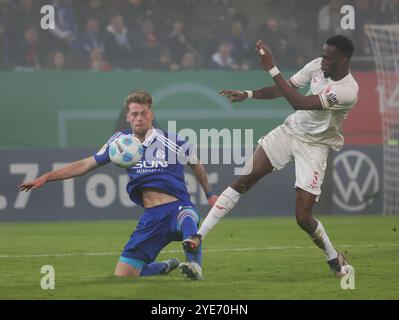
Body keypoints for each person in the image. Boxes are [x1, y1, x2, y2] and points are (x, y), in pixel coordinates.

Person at [183, 35, 359, 277]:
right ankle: (199, 235)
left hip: (315, 146)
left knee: (303, 218)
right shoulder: (316, 65)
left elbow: (301, 103)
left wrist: (271, 67)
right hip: (289, 132)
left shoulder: (347, 91)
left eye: (328, 58)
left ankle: (333, 256)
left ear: (343, 59)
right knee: (243, 180)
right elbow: (284, 89)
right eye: (323, 55)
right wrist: (249, 94)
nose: (323, 61)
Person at [18, 90, 217, 281]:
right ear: (128, 117)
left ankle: (194, 266)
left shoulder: (173, 140)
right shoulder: (119, 144)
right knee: (124, 274)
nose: (139, 118)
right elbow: (86, 164)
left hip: (177, 209)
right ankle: (164, 266)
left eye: (143, 113)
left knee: (188, 217)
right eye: (134, 114)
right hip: (151, 218)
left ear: (151, 115)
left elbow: (196, 165)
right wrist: (47, 177)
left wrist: (209, 193)